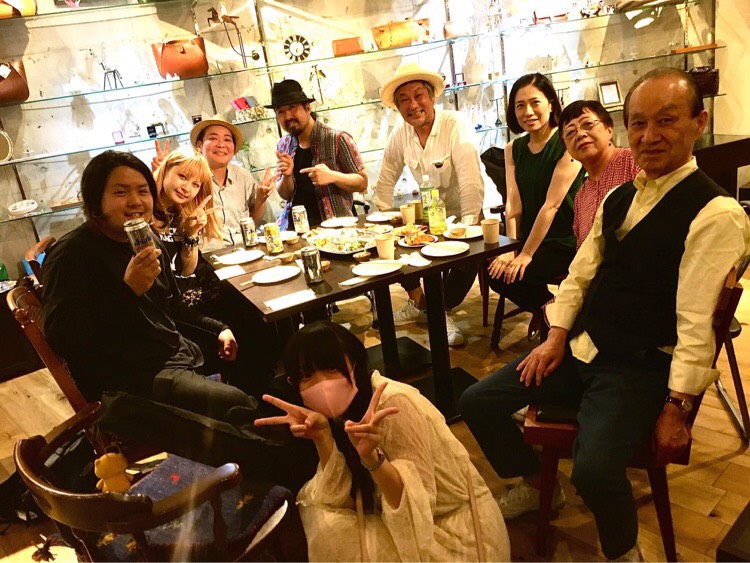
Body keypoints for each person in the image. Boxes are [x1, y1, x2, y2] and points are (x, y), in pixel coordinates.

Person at [460, 67, 750, 561]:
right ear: (626, 129)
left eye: (666, 120)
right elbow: (578, 276)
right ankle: (539, 484)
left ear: (698, 123)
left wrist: (678, 406)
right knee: (477, 401)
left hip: (639, 366)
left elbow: (696, 323)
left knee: (594, 470)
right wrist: (555, 337)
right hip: (581, 346)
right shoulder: (619, 196)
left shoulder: (715, 213)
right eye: (639, 123)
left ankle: (622, 551)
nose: (650, 135)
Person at [254, 321, 510, 561]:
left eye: (331, 368)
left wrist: (372, 459)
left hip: (457, 532)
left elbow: (418, 512)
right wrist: (323, 438)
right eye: (307, 375)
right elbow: (337, 495)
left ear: (354, 364)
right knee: (320, 515)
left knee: (328, 531)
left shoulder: (392, 403)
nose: (322, 383)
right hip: (410, 520)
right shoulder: (337, 414)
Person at [42, 150, 260, 420]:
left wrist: (219, 328)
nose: (135, 201)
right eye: (121, 192)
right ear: (96, 199)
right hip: (127, 379)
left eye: (143, 191)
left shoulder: (146, 240)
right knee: (239, 405)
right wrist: (128, 291)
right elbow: (62, 338)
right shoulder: (72, 253)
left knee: (252, 343)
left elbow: (171, 306)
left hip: (170, 352)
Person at [372, 62, 486, 346]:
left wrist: (468, 226)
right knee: (392, 247)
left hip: (466, 210)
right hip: (430, 215)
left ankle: (439, 311)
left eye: (418, 95)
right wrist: (382, 223)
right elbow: (385, 179)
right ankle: (421, 304)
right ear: (398, 107)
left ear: (432, 96)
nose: (413, 105)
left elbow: (470, 181)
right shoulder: (400, 133)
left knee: (469, 252)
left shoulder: (455, 124)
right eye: (404, 100)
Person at [487, 73, 584, 329]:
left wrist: (526, 254)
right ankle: (550, 308)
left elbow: (551, 206)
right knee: (495, 273)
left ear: (551, 104)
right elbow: (513, 203)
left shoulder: (567, 143)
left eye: (535, 103)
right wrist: (510, 249)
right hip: (528, 237)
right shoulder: (513, 149)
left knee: (520, 272)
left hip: (563, 240)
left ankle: (553, 316)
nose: (528, 112)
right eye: (520, 105)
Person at [153, 116, 277, 247]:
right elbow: (167, 210)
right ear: (199, 145)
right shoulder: (191, 178)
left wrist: (260, 200)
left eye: (227, 140)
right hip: (206, 254)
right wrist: (162, 173)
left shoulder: (244, 176)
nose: (221, 145)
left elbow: (252, 222)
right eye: (213, 138)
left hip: (244, 248)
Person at [269, 79, 367, 229]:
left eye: (292, 108)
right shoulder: (283, 145)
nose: (287, 116)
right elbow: (285, 195)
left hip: (335, 227)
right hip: (296, 229)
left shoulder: (337, 138)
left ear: (307, 108)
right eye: (280, 112)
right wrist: (287, 176)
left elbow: (362, 182)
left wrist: (333, 176)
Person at [558, 100, 641, 248]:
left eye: (588, 124)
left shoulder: (634, 162)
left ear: (609, 129)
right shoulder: (581, 197)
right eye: (570, 132)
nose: (580, 134)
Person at [152, 147, 223, 278]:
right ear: (166, 169)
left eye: (195, 184)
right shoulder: (145, 209)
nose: (186, 188)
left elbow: (187, 271)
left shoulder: (183, 215)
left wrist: (191, 233)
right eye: (183, 177)